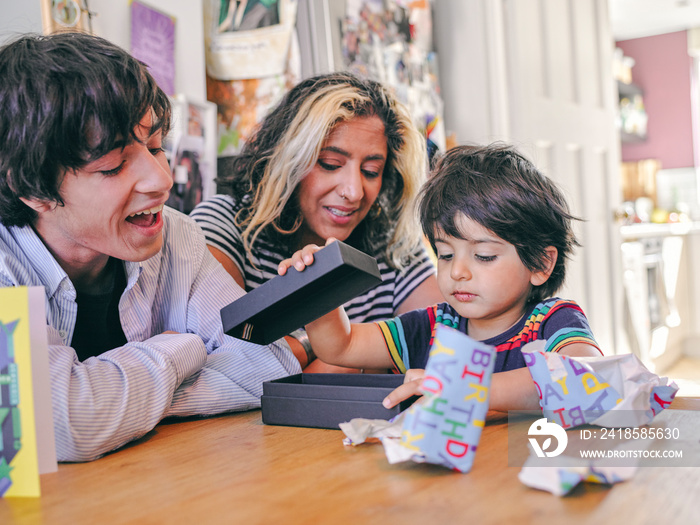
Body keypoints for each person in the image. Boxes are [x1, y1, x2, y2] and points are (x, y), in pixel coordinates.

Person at [0, 32, 300, 462]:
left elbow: (270, 360)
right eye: (113, 166)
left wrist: (117, 406)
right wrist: (180, 349)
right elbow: (57, 425)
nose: (162, 179)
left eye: (157, 147)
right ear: (31, 187)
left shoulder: (176, 236)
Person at [278, 143, 603, 410]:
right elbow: (342, 347)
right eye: (445, 255)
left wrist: (466, 388)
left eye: (484, 256)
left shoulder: (553, 321)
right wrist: (316, 287)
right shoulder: (430, 328)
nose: (457, 271)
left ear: (541, 265)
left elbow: (585, 377)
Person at [191, 71, 442, 371]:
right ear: (288, 161)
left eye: (371, 171)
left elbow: (453, 342)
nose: (353, 191)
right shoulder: (225, 223)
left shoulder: (393, 243)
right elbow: (222, 358)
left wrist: (322, 354)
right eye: (330, 164)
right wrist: (331, 346)